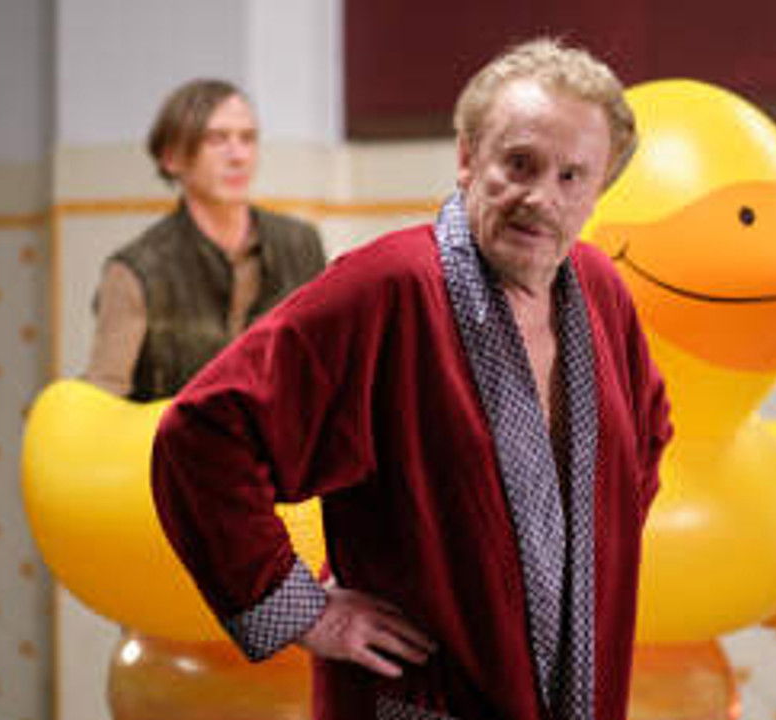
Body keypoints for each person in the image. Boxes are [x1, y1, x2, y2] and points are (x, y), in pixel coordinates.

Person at [152, 39, 672, 720]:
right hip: (421, 697)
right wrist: (304, 610)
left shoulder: (599, 291)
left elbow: (646, 438)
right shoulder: (388, 288)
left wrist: (562, 569)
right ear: (467, 158)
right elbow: (202, 438)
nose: (540, 198)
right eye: (519, 164)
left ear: (599, 189)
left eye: (572, 176)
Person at [85, 78, 327, 401]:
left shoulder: (301, 244)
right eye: (216, 139)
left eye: (248, 138)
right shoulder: (135, 270)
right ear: (171, 157)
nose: (238, 156)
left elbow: (328, 366)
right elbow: (105, 399)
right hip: (176, 433)